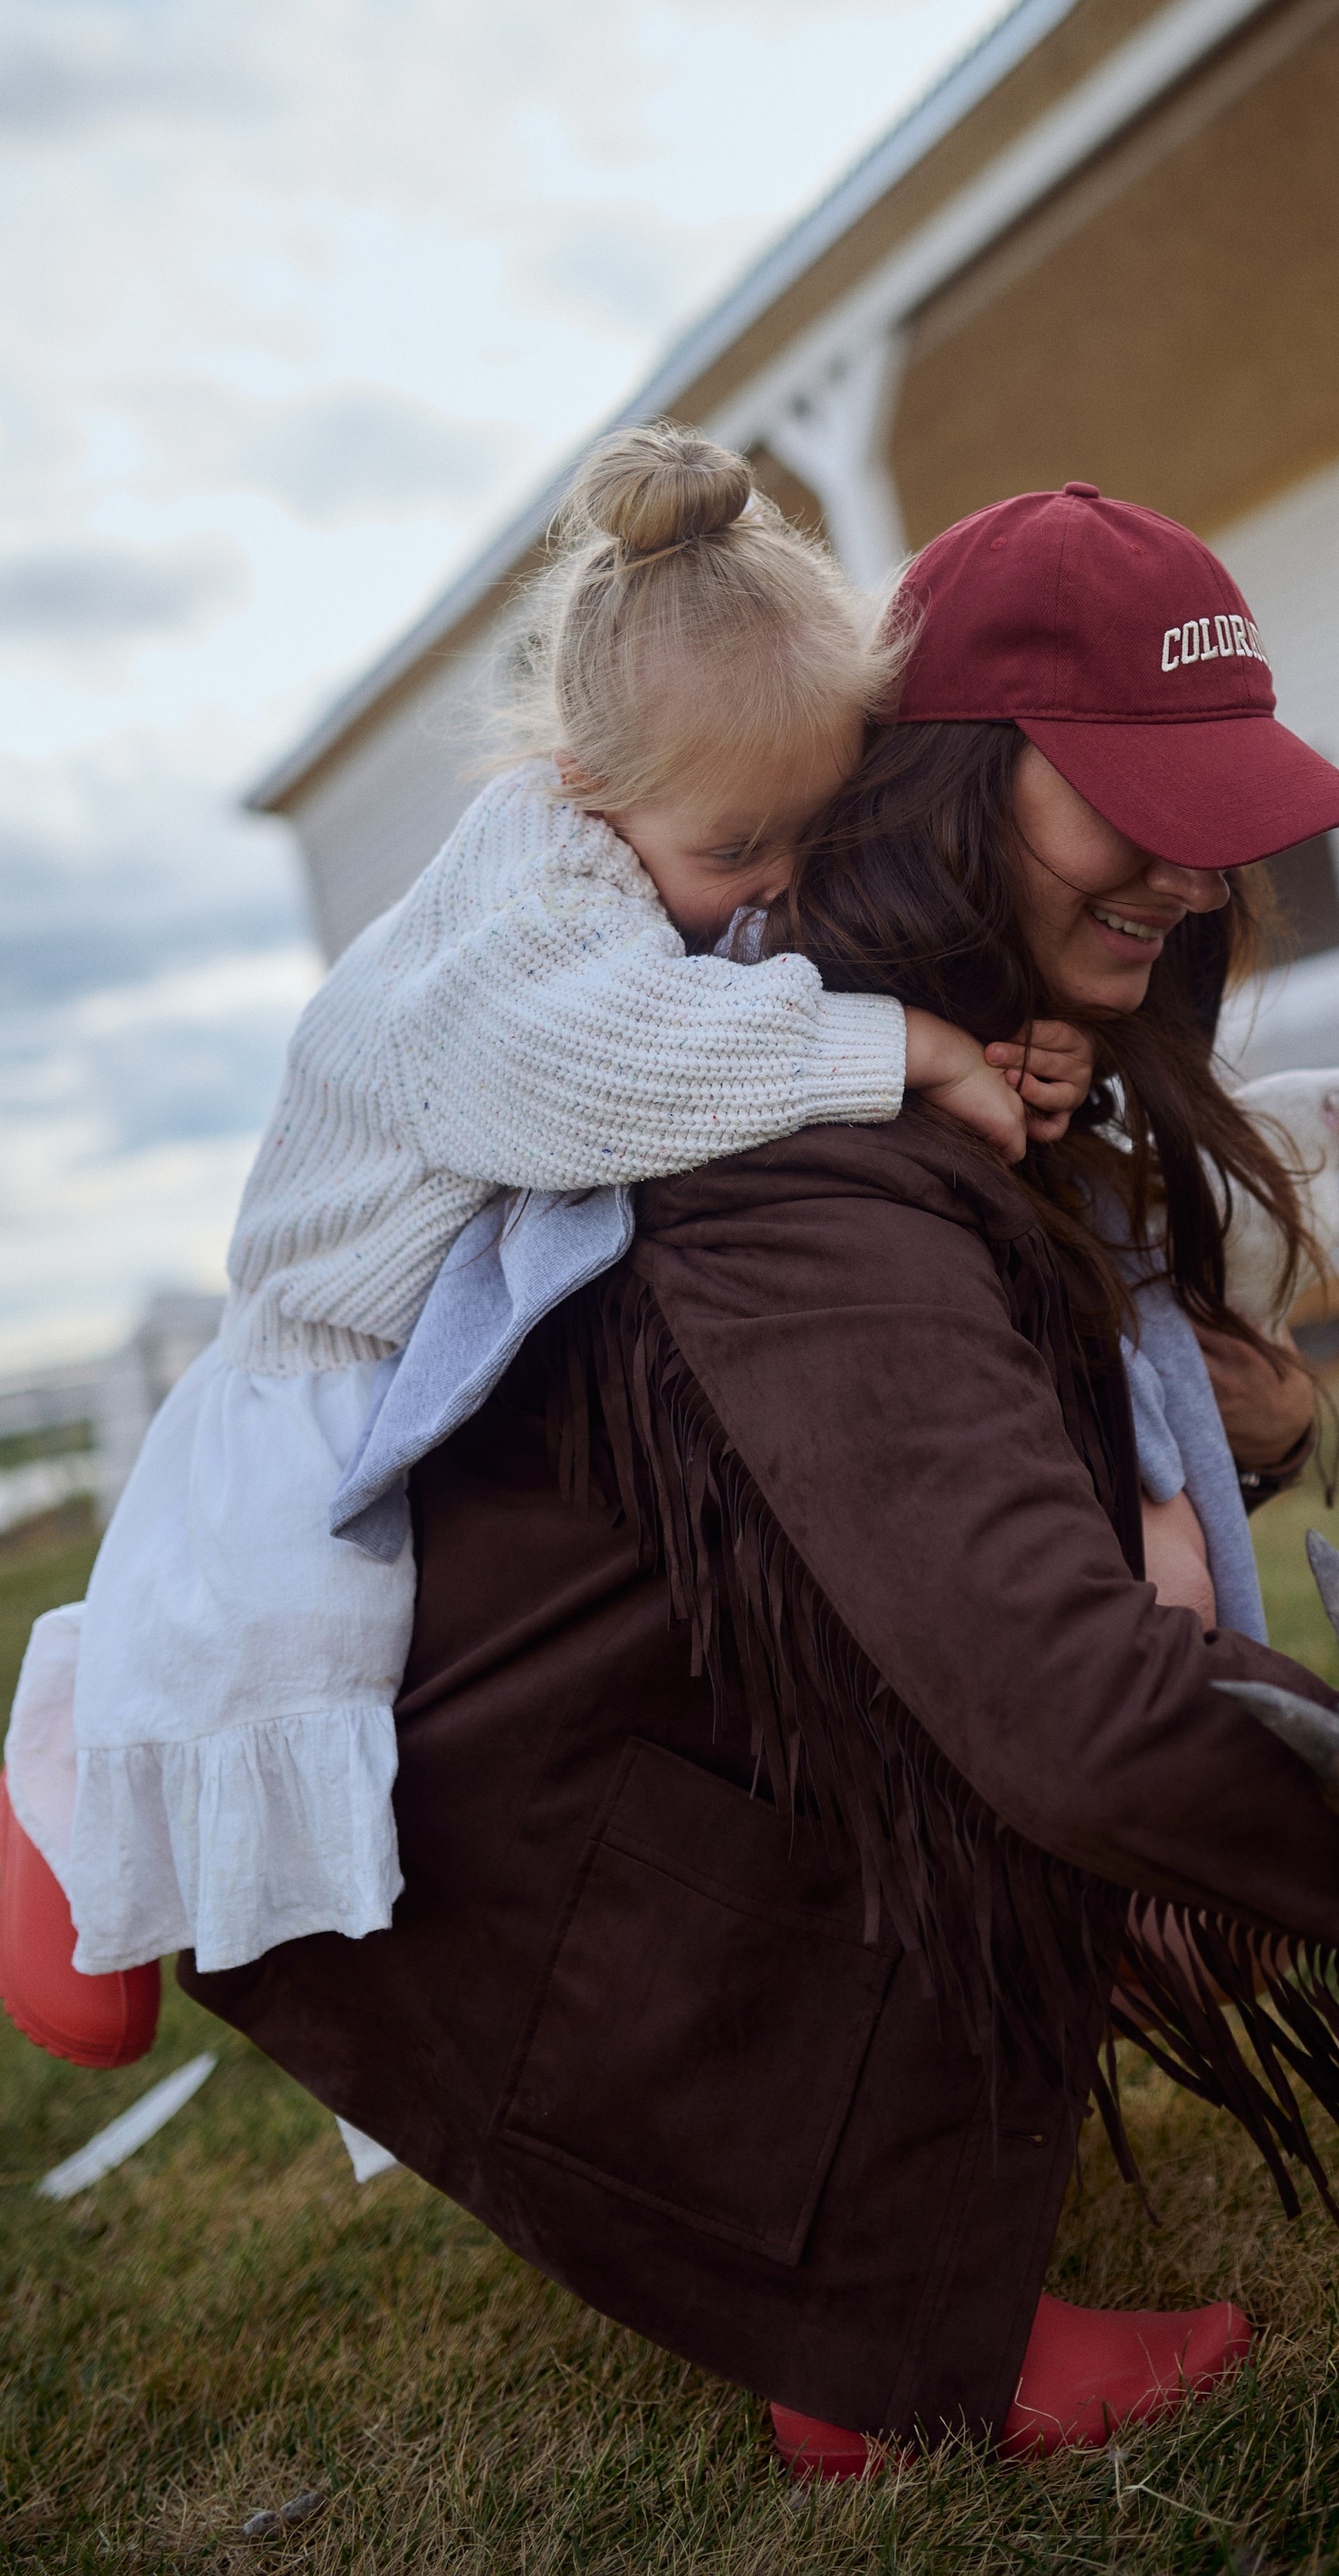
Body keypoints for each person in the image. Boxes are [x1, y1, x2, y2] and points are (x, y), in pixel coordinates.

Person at [173, 484, 1339, 2479]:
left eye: (1221, 813)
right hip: (571, 1863)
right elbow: (1053, 1691)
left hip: (685, 1801)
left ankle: (868, 2253)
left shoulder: (976, 1037)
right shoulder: (792, 1141)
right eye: (1134, 802)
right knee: (1065, 1729)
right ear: (953, 781)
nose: (1194, 872)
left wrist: (1227, 1406)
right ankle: (859, 2288)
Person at [0, 425, 1093, 2059]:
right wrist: (908, 1049)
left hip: (452, 1361)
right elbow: (600, 1069)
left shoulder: (674, 847)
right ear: (589, 784)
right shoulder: (534, 897)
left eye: (808, 834)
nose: (772, 892)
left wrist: (999, 1047)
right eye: (737, 854)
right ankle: (72, 1747)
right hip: (317, 1388)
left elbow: (737, 1004)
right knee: (293, 1719)